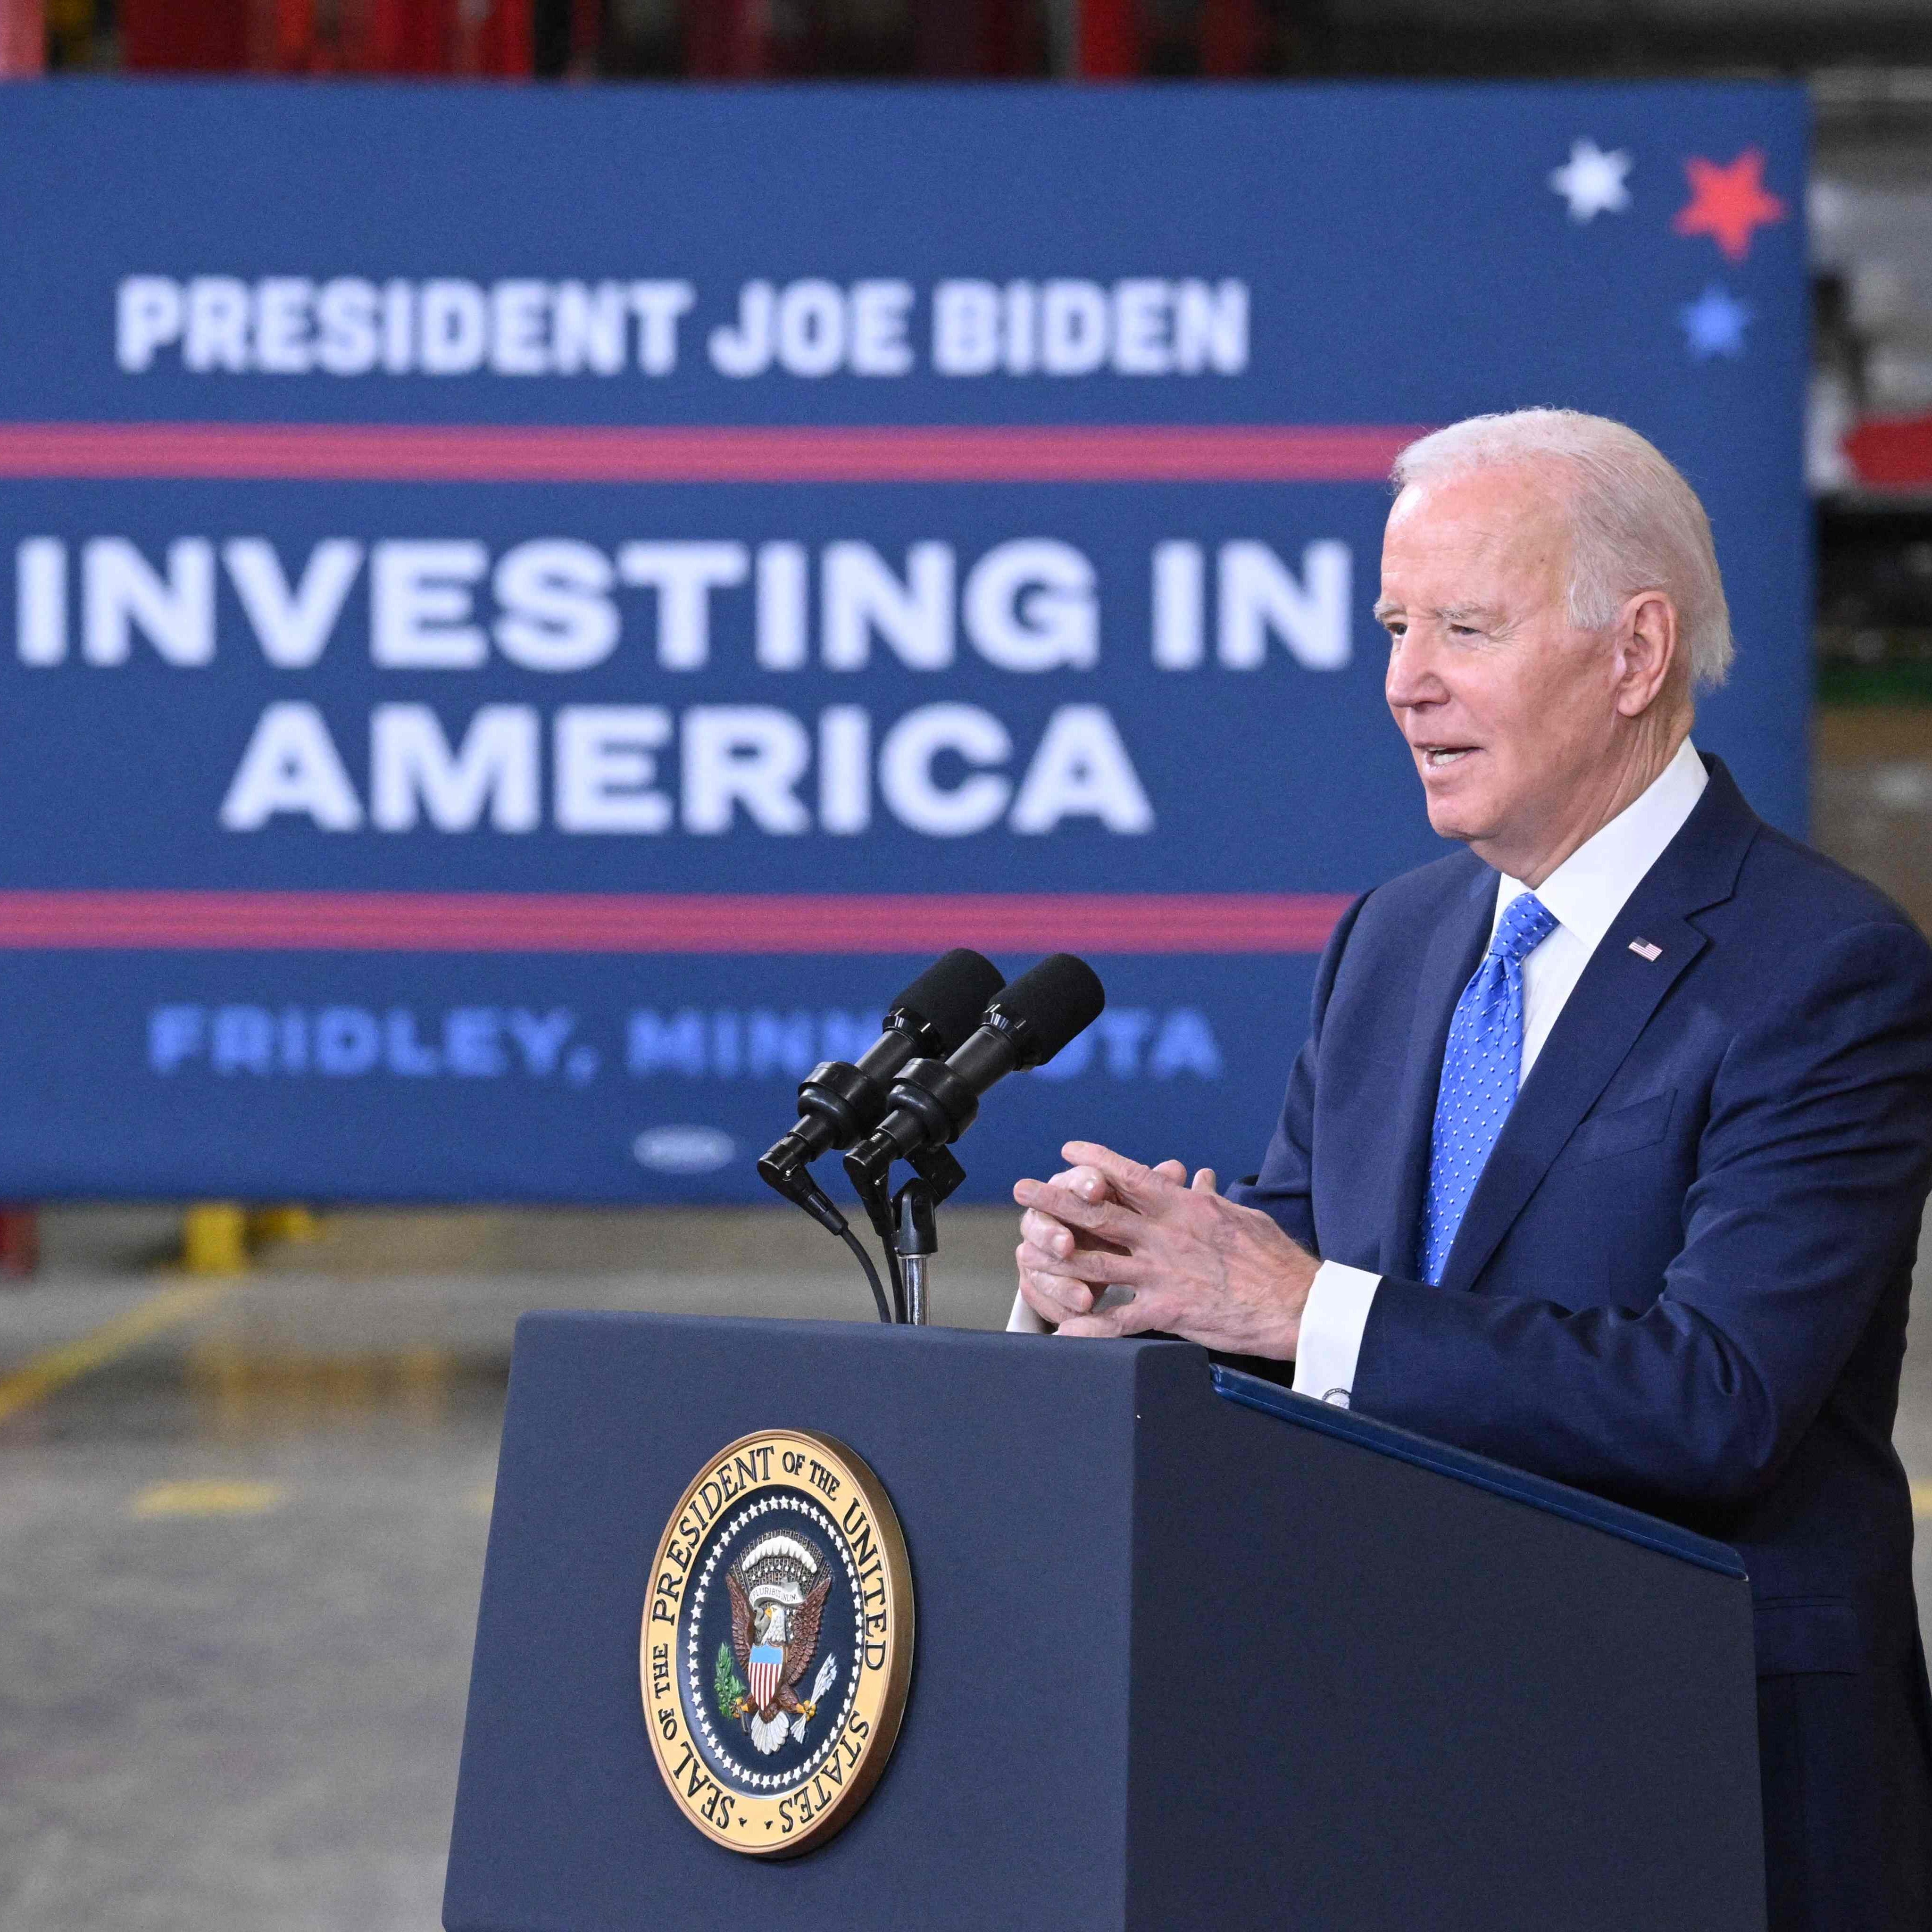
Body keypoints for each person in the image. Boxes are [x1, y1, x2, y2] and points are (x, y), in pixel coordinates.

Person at [1011, 409, 1932, 1932]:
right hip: (1412, 1757)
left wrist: (1294, 1302)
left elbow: (1719, 1399)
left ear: (1635, 656)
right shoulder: (1397, 937)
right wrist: (1140, 1278)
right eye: (1393, 627)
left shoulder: (1821, 970)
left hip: (1713, 1782)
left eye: (1464, 627)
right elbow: (1305, 1271)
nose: (1405, 680)